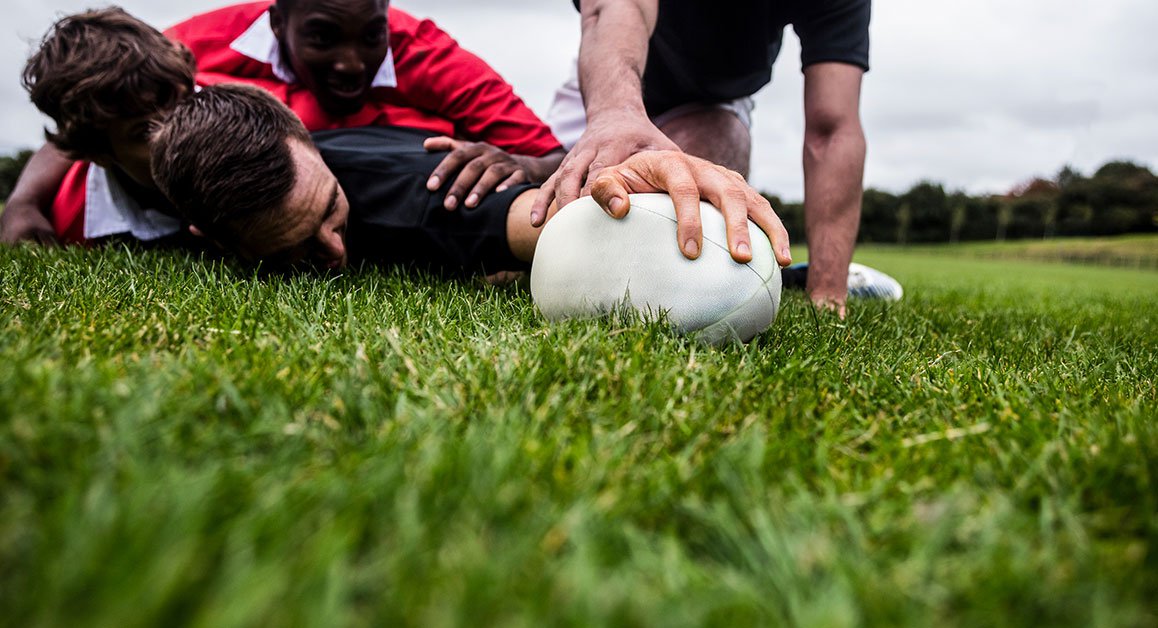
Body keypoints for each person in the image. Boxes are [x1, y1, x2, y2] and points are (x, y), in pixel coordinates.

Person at [1, 0, 564, 246]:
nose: (350, 62)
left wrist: (521, 171)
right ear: (276, 26)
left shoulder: (424, 58)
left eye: (371, 35)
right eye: (322, 36)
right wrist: (24, 204)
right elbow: (89, 108)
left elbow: (552, 153)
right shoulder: (201, 48)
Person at [149, 83, 791, 276]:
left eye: (330, 213)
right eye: (294, 251)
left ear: (305, 137)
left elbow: (556, 221)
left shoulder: (423, 199)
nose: (336, 252)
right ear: (213, 237)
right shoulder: (175, 216)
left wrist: (639, 179)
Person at [531, 0, 876, 311]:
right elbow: (618, 6)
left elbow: (832, 128)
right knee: (543, 213)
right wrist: (614, 113)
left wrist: (827, 291)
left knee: (662, 222)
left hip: (711, 104)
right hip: (609, 79)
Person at [0, 8, 194, 246]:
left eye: (186, 106)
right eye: (147, 131)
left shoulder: (229, 89)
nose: (185, 135)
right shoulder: (72, 226)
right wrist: (22, 205)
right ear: (97, 154)